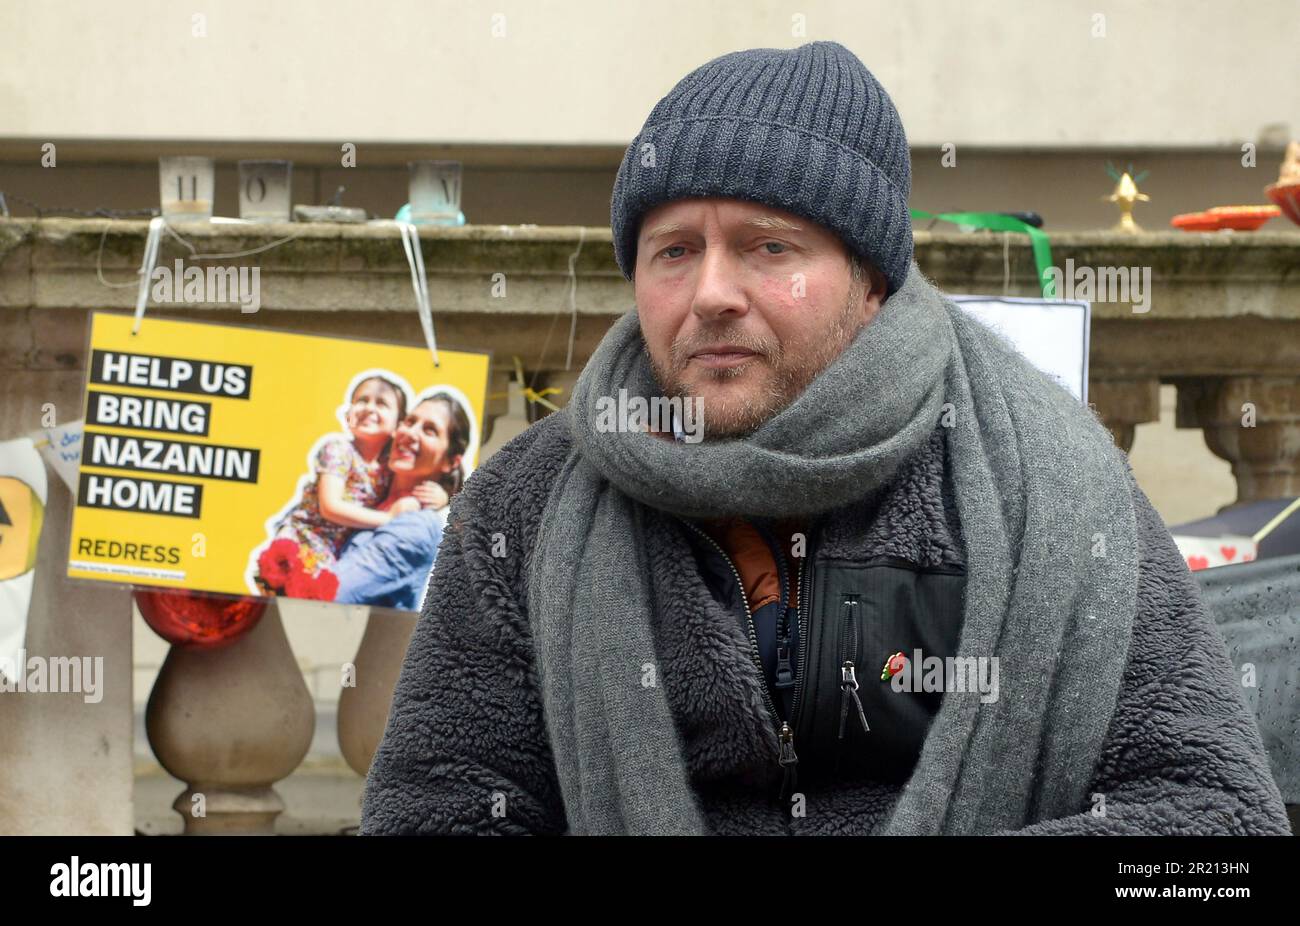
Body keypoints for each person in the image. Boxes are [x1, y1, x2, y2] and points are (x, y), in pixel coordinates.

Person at [360, 42, 1290, 835]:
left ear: (871, 280)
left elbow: (1214, 829)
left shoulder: (1051, 484)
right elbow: (435, 809)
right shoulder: (529, 500)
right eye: (674, 250)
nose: (712, 292)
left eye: (770, 247)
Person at [334, 392, 470, 611]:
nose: (411, 433)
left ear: (451, 461)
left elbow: (334, 591)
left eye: (429, 430)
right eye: (410, 422)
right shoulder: (368, 488)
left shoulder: (417, 527)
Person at [272, 374, 410, 573]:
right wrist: (389, 519)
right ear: (348, 415)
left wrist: (441, 496)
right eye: (362, 400)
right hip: (303, 540)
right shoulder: (339, 449)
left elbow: (421, 481)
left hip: (336, 552)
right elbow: (331, 507)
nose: (369, 408)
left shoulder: (389, 465)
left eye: (381, 403)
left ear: (398, 424)